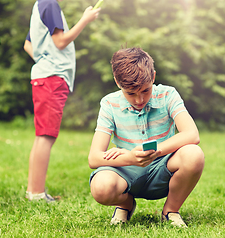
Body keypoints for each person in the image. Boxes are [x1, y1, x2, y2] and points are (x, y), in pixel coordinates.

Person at [88, 47, 205, 227]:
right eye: (130, 93)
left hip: (163, 168)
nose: (139, 100)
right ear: (117, 83)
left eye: (145, 90)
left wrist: (155, 152)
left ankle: (170, 211)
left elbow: (192, 134)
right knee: (101, 187)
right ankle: (126, 205)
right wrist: (129, 158)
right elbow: (94, 158)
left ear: (153, 77)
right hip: (125, 172)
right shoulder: (109, 103)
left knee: (194, 154)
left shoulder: (168, 95)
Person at [23, 0, 100, 202]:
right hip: (52, 78)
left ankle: (34, 191)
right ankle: (37, 194)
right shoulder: (50, 4)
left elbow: (28, 44)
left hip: (45, 76)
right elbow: (61, 41)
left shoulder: (41, 5)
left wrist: (43, 60)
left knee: (43, 136)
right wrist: (85, 19)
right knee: (46, 136)